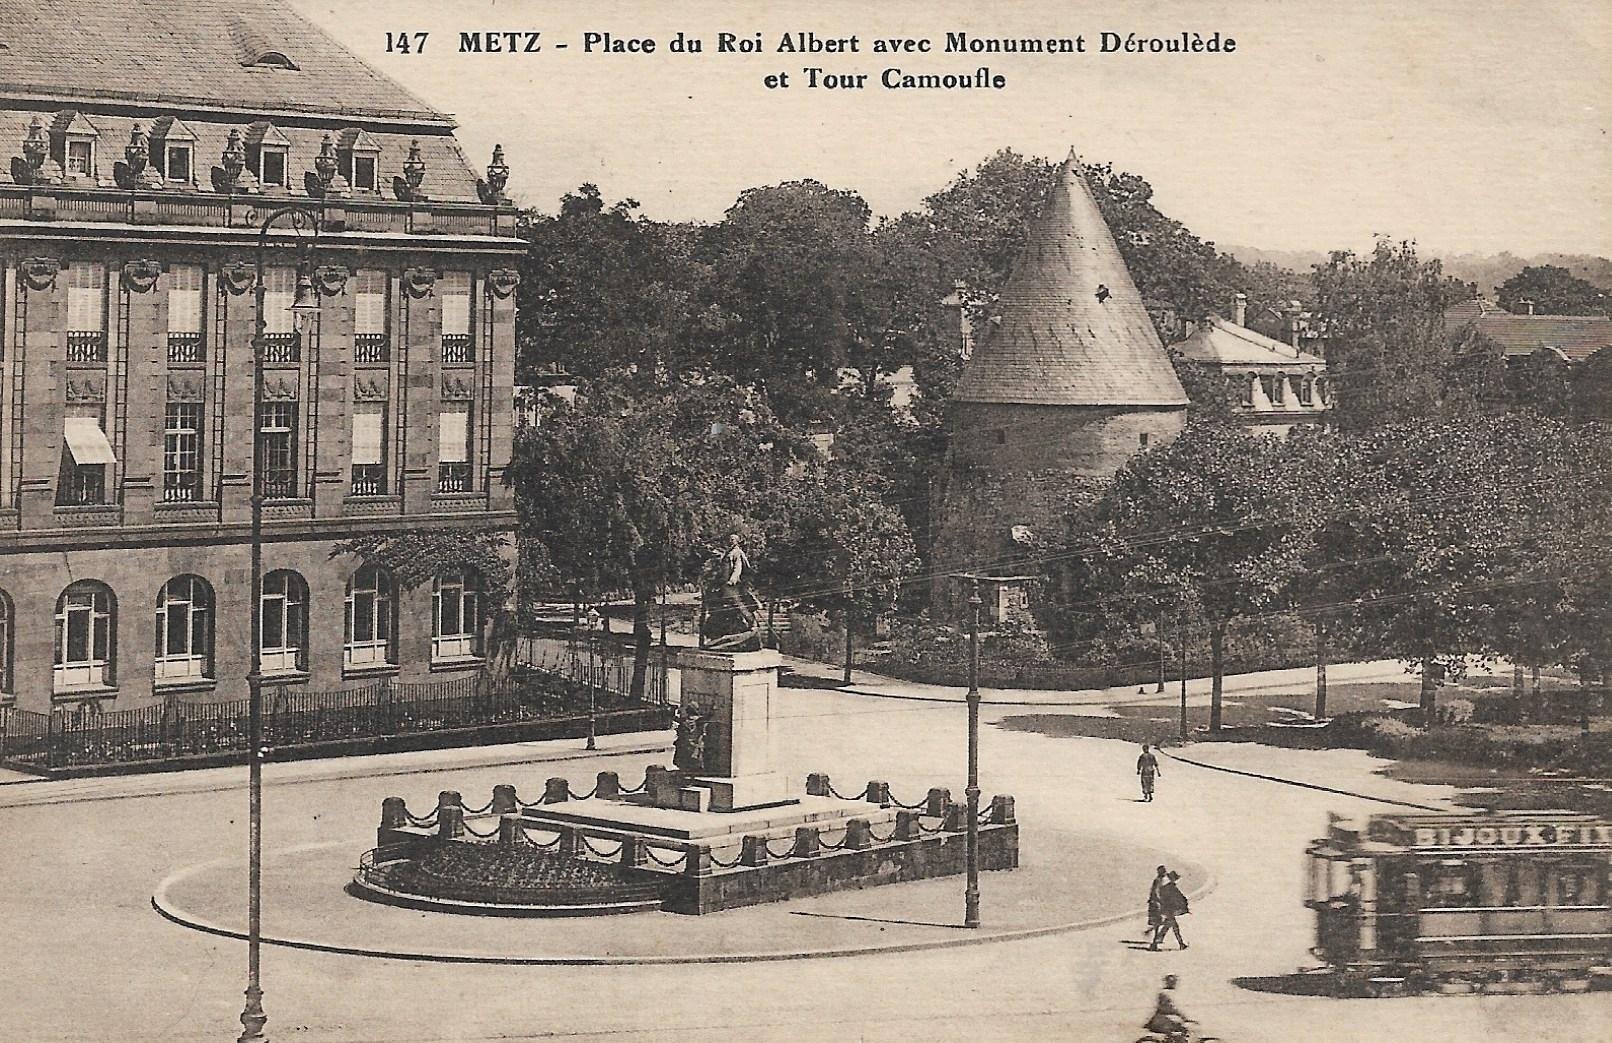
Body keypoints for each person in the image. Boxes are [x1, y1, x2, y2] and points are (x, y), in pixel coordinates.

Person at [1143, 975, 1194, 1040]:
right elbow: (1171, 1007)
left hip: (1165, 1018)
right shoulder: (1165, 993)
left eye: (1174, 981)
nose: (1174, 983)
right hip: (1165, 1019)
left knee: (1179, 1033)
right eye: (1172, 981)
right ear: (1167, 982)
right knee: (1182, 1030)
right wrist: (1185, 1018)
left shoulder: (1166, 992)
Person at [1151, 870, 1190, 950]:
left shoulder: (1166, 886)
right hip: (1168, 910)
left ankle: (1156, 942)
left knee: (1167, 925)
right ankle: (1181, 944)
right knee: (1174, 927)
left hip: (1165, 909)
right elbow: (1176, 898)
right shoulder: (1170, 887)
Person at [1145, 864, 1168, 940]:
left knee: (1162, 921)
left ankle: (1155, 936)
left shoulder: (1161, 880)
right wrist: (1160, 901)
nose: (1165, 872)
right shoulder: (1158, 880)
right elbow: (1155, 891)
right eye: (1164, 871)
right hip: (1157, 903)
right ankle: (1156, 939)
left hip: (1157, 902)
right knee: (1162, 920)